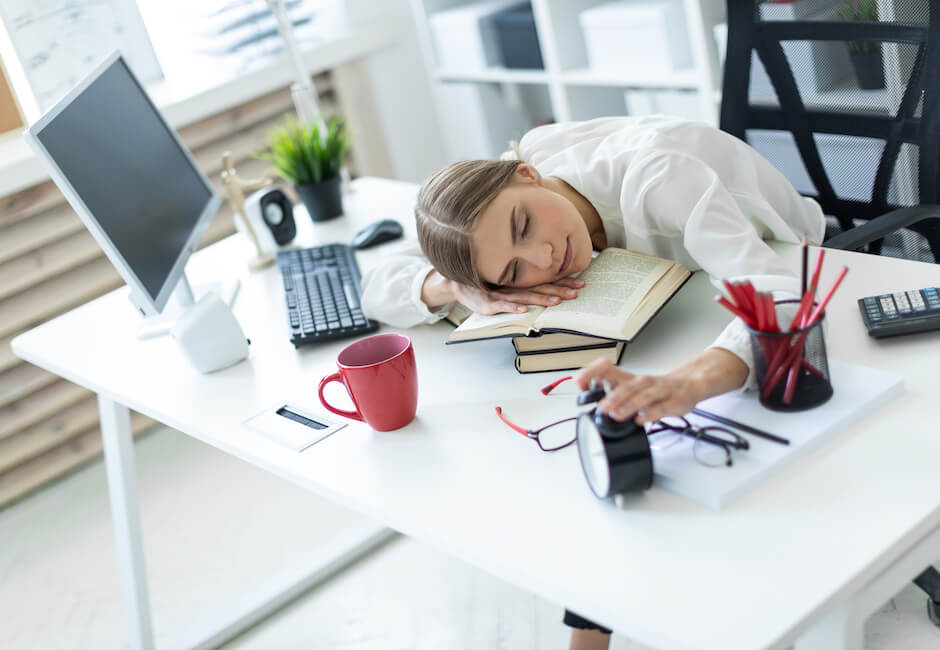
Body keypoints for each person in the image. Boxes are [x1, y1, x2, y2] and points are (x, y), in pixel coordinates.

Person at [360, 115, 825, 650]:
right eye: (512, 273)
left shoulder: (660, 175)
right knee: (586, 447)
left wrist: (692, 383)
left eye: (523, 227)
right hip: (685, 310)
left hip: (801, 255)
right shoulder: (496, 215)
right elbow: (376, 284)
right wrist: (463, 289)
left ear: (529, 176)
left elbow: (777, 295)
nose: (542, 258)